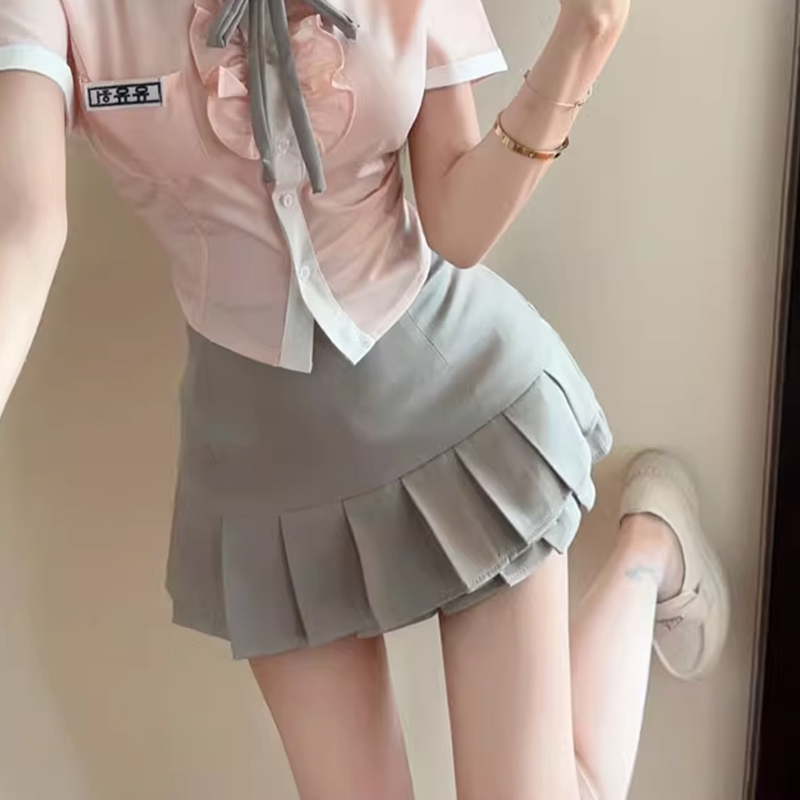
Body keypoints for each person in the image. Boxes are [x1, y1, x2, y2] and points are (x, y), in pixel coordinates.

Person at [0, 1, 730, 798]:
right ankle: (649, 544)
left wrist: (587, 34)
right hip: (266, 476)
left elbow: (457, 225)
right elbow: (23, 227)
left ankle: (647, 551)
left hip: (460, 410)